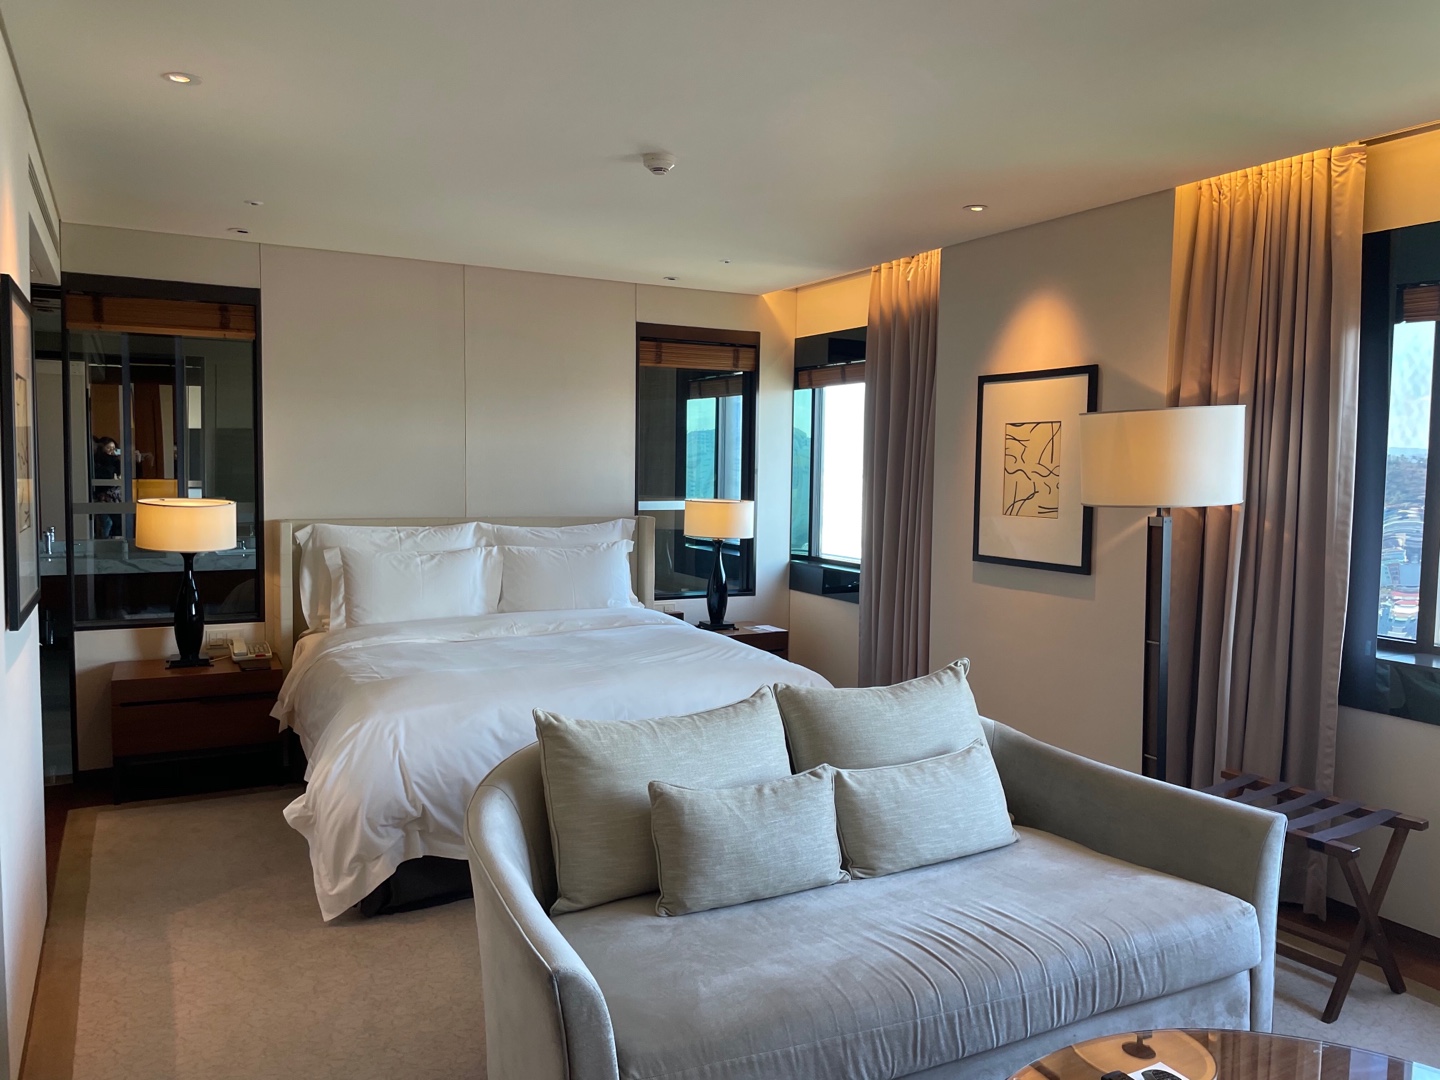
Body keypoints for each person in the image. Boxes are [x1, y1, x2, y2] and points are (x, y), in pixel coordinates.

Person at [92, 436, 122, 539]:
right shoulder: (98, 462)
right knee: (107, 523)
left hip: (115, 497)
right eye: (108, 448)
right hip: (104, 497)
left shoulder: (117, 462)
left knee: (115, 523)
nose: (111, 451)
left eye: (113, 448)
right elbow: (106, 476)